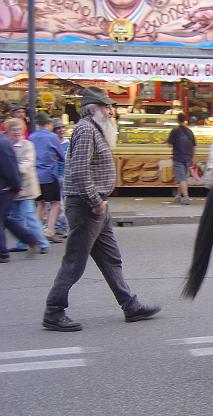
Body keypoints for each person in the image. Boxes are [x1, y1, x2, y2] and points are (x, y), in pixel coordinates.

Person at [42, 86, 160, 332]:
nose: (111, 110)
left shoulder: (94, 129)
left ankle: (130, 305)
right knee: (75, 260)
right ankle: (54, 311)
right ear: (93, 109)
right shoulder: (86, 129)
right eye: (107, 106)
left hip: (96, 205)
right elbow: (79, 170)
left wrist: (99, 202)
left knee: (110, 258)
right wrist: (95, 202)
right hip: (88, 205)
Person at [5, 118, 49, 254]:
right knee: (16, 217)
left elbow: (28, 163)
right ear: (8, 131)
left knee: (29, 215)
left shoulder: (28, 145)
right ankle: (21, 243)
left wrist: (11, 170)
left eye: (19, 129)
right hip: (13, 188)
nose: (17, 132)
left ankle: (42, 243)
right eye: (14, 129)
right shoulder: (7, 145)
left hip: (27, 188)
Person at [0, 133, 37, 263]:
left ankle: (2, 253)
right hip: (6, 187)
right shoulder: (4, 142)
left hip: (5, 188)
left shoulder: (2, 143)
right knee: (4, 219)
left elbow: (10, 167)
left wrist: (16, 186)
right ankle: (29, 238)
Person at [29, 111, 65, 242]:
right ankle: (49, 230)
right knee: (55, 203)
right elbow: (61, 156)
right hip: (49, 174)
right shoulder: (52, 137)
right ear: (48, 124)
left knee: (41, 204)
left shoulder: (32, 137)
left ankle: (35, 231)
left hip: (36, 175)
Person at [167, 112, 196, 205]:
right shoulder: (190, 131)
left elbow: (169, 145)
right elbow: (194, 146)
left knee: (181, 179)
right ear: (185, 120)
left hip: (178, 158)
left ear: (177, 120)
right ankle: (179, 196)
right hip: (188, 158)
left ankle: (186, 197)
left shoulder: (175, 131)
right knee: (183, 177)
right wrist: (192, 157)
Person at [52, 118, 69, 237]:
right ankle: (60, 226)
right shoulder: (52, 143)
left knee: (64, 203)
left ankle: (65, 226)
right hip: (55, 176)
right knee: (57, 203)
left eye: (62, 127)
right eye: (58, 128)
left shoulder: (68, 143)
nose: (61, 130)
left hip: (65, 175)